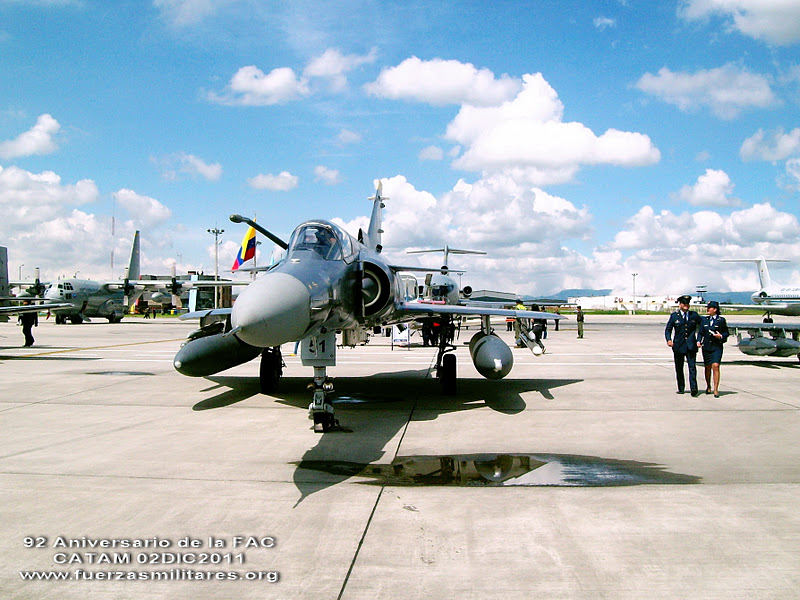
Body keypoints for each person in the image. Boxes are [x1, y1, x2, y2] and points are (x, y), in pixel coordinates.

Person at [665, 295, 702, 396]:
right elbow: (668, 329)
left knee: (692, 368)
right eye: (684, 304)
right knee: (679, 367)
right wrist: (669, 340)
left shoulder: (694, 315)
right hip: (678, 345)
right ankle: (681, 387)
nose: (686, 306)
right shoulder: (674, 316)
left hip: (691, 345)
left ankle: (694, 388)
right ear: (680, 304)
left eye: (687, 304)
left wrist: (699, 339)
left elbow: (702, 327)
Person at [698, 300, 729, 398]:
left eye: (709, 308)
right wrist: (699, 341)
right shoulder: (705, 320)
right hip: (706, 346)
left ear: (715, 309)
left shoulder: (721, 320)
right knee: (707, 367)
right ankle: (708, 386)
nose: (707, 309)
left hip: (717, 346)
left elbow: (726, 333)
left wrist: (720, 336)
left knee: (715, 366)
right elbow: (701, 332)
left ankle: (716, 389)